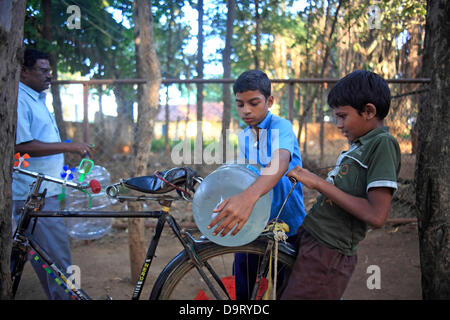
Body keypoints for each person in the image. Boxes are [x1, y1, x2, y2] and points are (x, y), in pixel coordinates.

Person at [280, 70, 401, 300]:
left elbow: (377, 216)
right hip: (315, 240)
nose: (338, 124)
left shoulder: (383, 144)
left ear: (368, 111)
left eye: (343, 116)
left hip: (330, 252)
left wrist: (317, 183)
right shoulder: (359, 144)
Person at [208, 70, 307, 299]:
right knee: (244, 281)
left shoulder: (281, 127)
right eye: (240, 104)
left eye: (254, 103)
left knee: (287, 286)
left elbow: (280, 162)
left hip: (287, 222)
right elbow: (246, 173)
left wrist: (248, 197)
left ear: (269, 101)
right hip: (254, 222)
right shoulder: (244, 137)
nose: (246, 111)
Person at [12, 48, 94, 299]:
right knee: (57, 261)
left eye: (50, 71)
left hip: (44, 189)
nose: (49, 76)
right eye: (43, 70)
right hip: (33, 194)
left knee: (39, 256)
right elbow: (21, 146)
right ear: (24, 72)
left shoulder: (36, 98)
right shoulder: (18, 98)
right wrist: (70, 147)